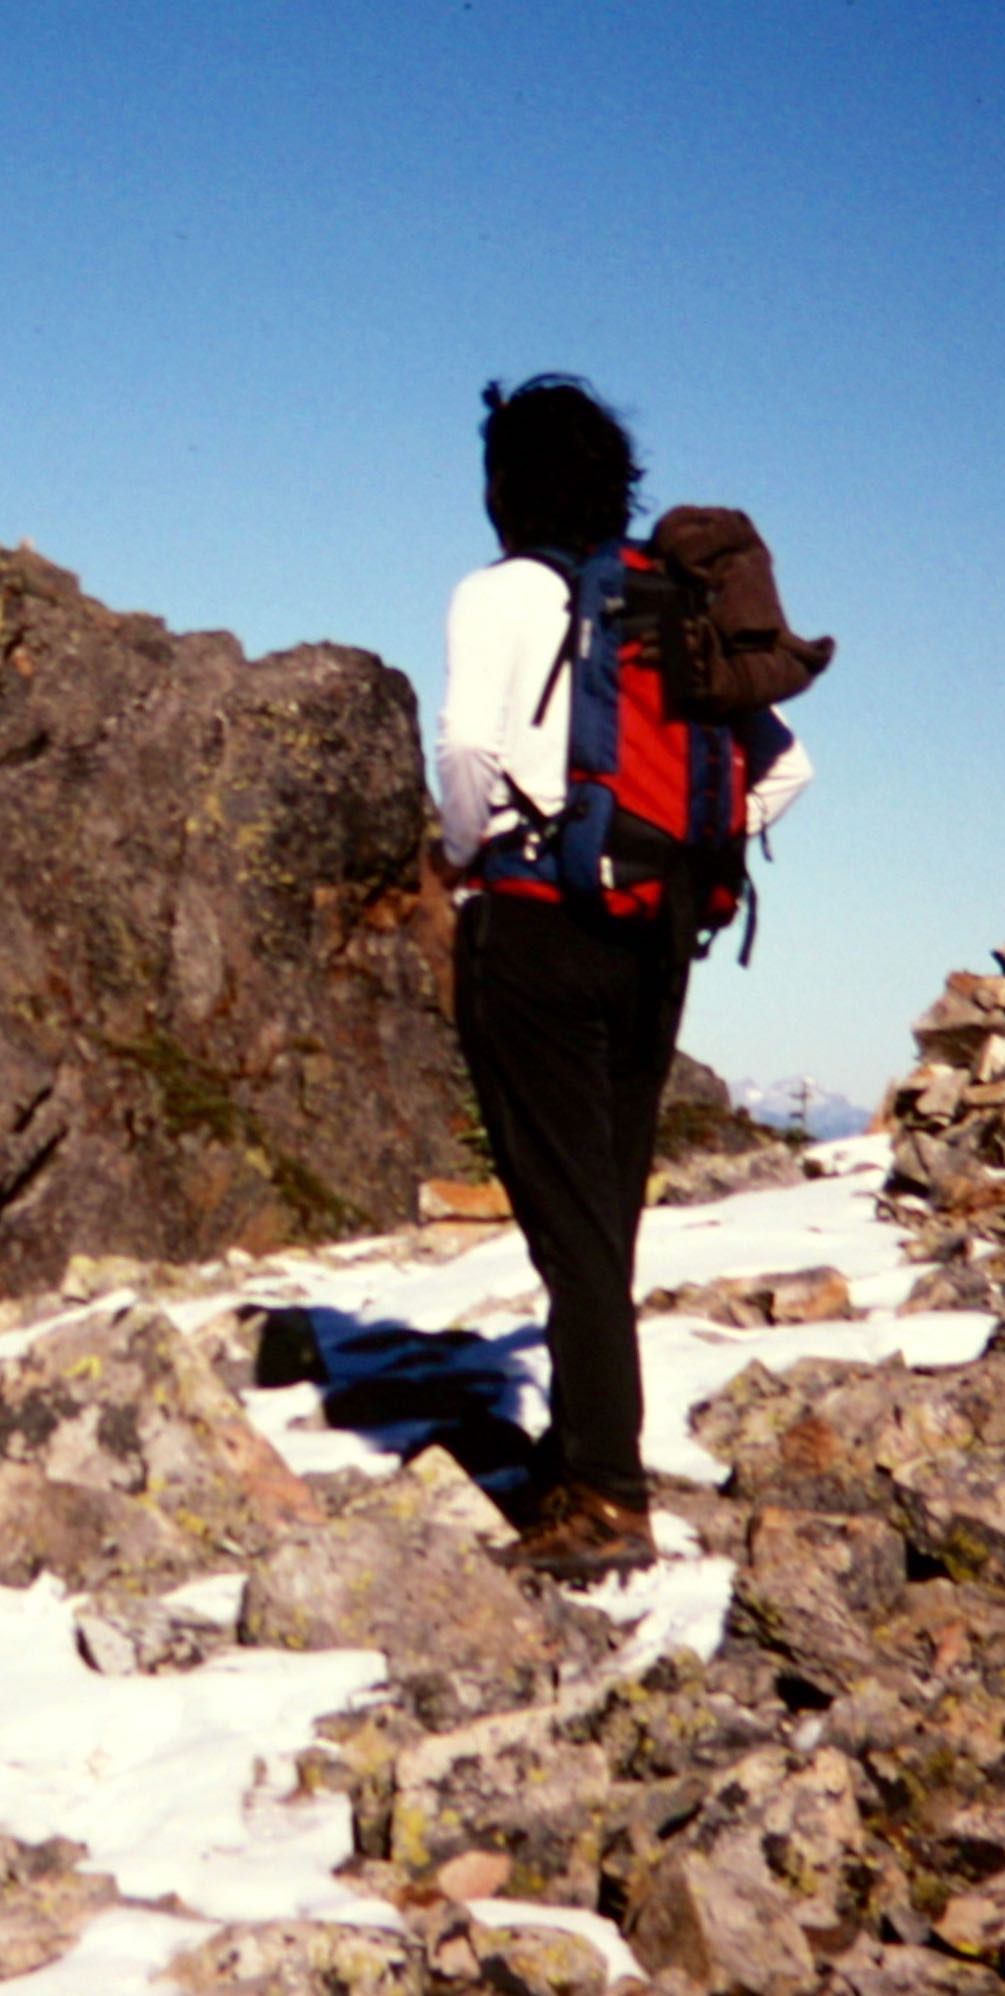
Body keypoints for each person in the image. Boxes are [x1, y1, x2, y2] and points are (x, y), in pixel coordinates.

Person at [435, 375, 812, 1581]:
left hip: (536, 925)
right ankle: (590, 1448)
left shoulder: (501, 593)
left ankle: (600, 1488)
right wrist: (684, 839)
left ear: (504, 488)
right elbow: (789, 768)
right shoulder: (664, 599)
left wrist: (465, 856)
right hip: (656, 938)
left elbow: (466, 751)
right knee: (605, 1207)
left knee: (571, 1221)